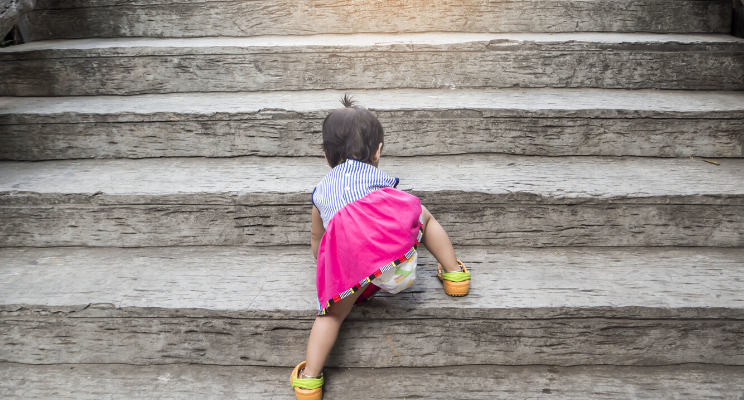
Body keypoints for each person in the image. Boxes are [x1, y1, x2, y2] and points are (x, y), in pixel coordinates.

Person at [290, 95, 471, 400]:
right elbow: (390, 212)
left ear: (325, 157)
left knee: (331, 316)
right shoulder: (379, 180)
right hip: (397, 261)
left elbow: (317, 240)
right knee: (422, 214)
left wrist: (330, 266)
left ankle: (309, 382)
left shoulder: (321, 191)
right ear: (377, 152)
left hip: (355, 272)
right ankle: (455, 275)